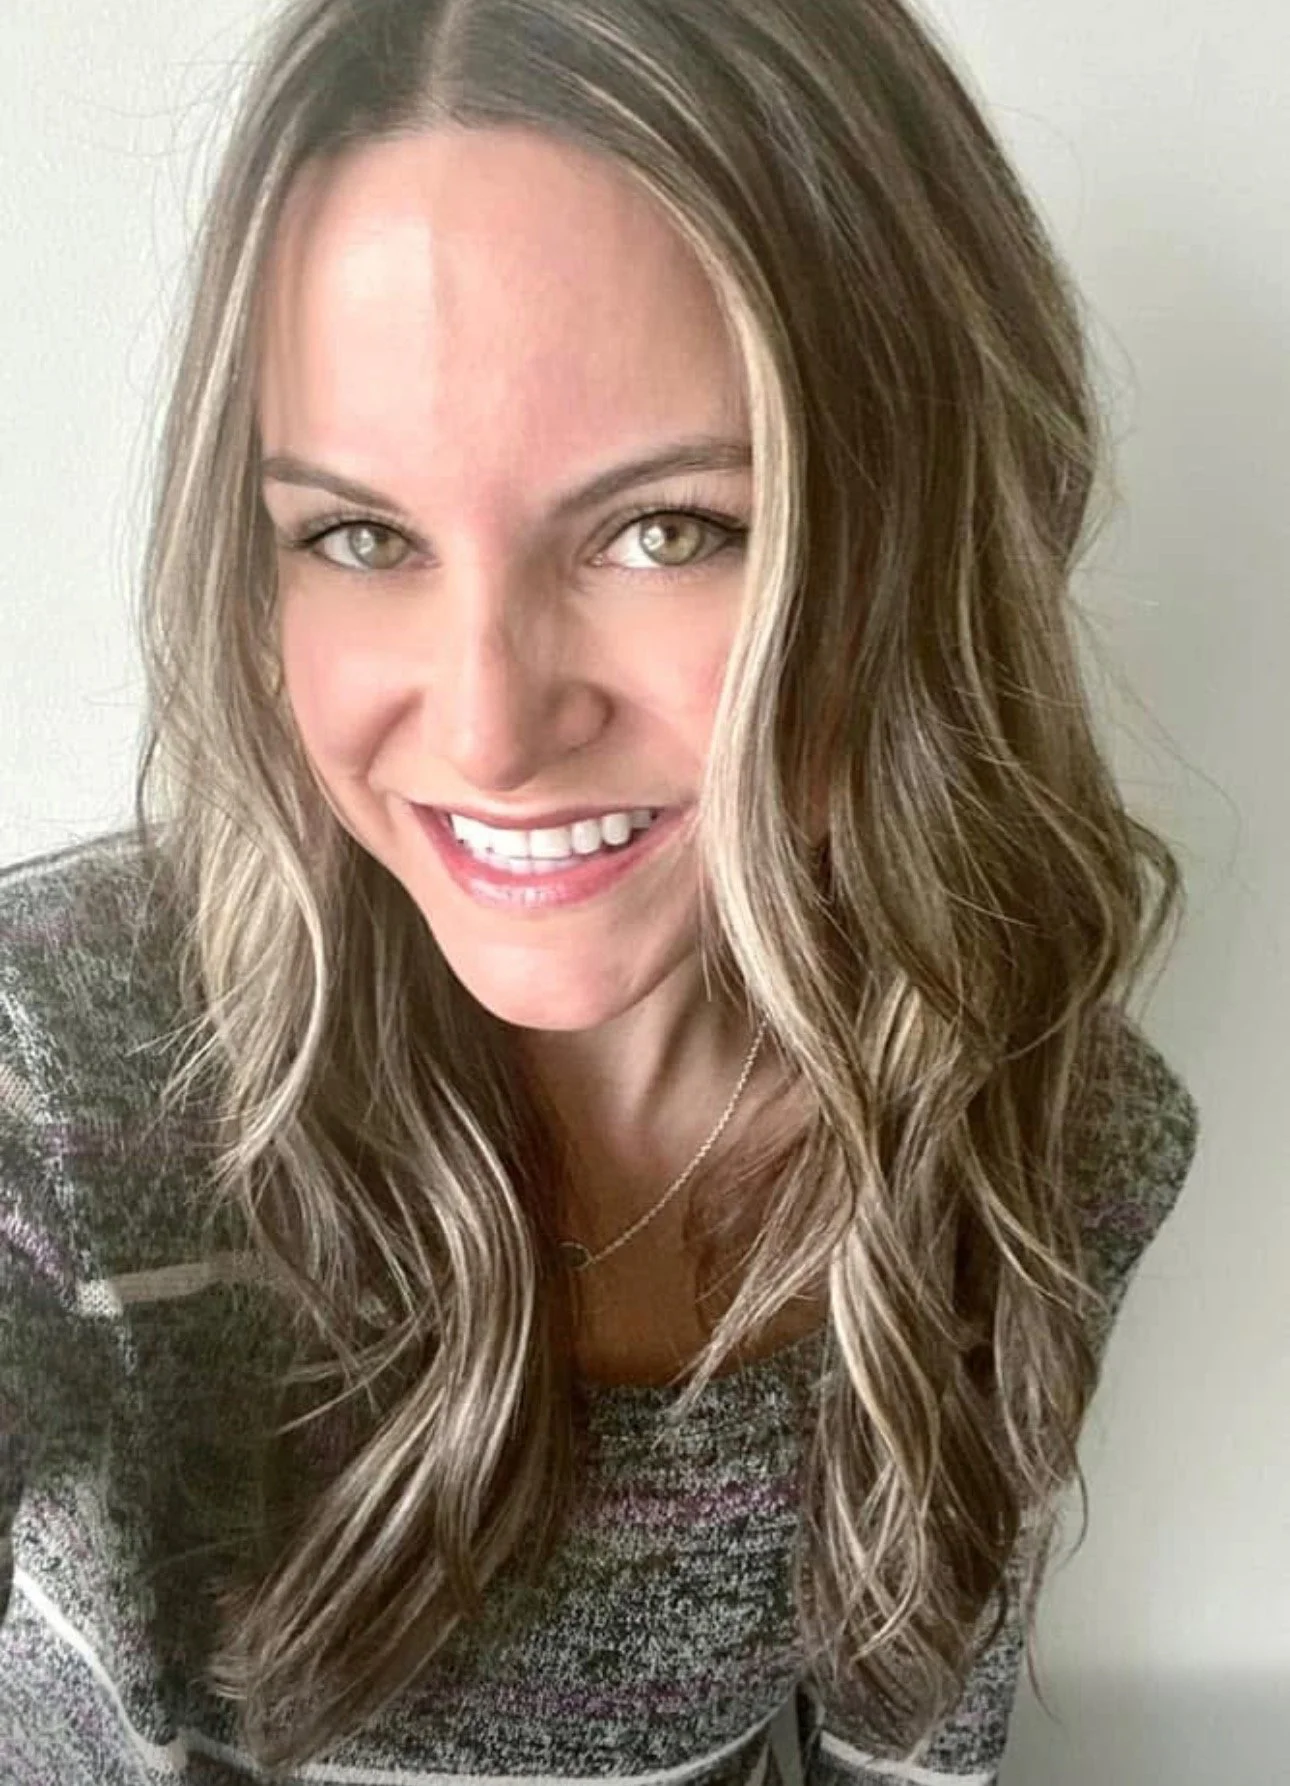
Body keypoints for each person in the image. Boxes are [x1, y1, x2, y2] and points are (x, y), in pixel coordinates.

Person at [0, 0, 1201, 1780]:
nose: (490, 728)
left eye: (668, 529)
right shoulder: (59, 1078)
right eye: (359, 535)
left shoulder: (1051, 1125)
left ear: (921, 531)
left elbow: (906, 1743)